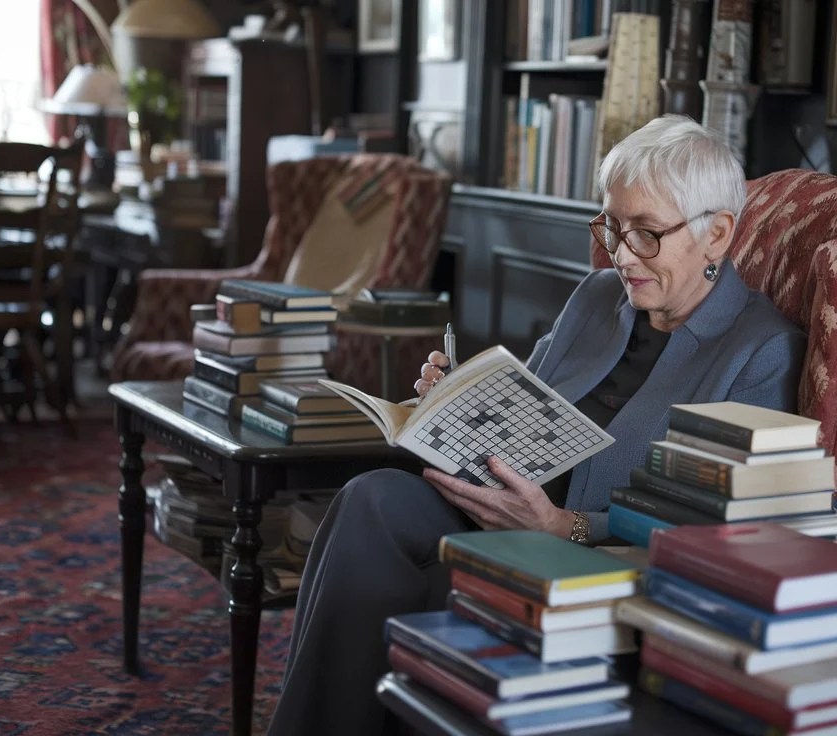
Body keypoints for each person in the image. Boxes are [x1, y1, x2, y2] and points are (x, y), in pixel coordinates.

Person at [266, 114, 808, 735]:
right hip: (504, 509)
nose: (622, 254)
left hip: (598, 557)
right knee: (370, 499)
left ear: (717, 235)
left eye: (647, 234)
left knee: (437, 582)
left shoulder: (760, 352)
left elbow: (718, 526)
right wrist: (456, 406)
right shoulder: (599, 297)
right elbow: (528, 398)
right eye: (613, 227)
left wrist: (565, 526)